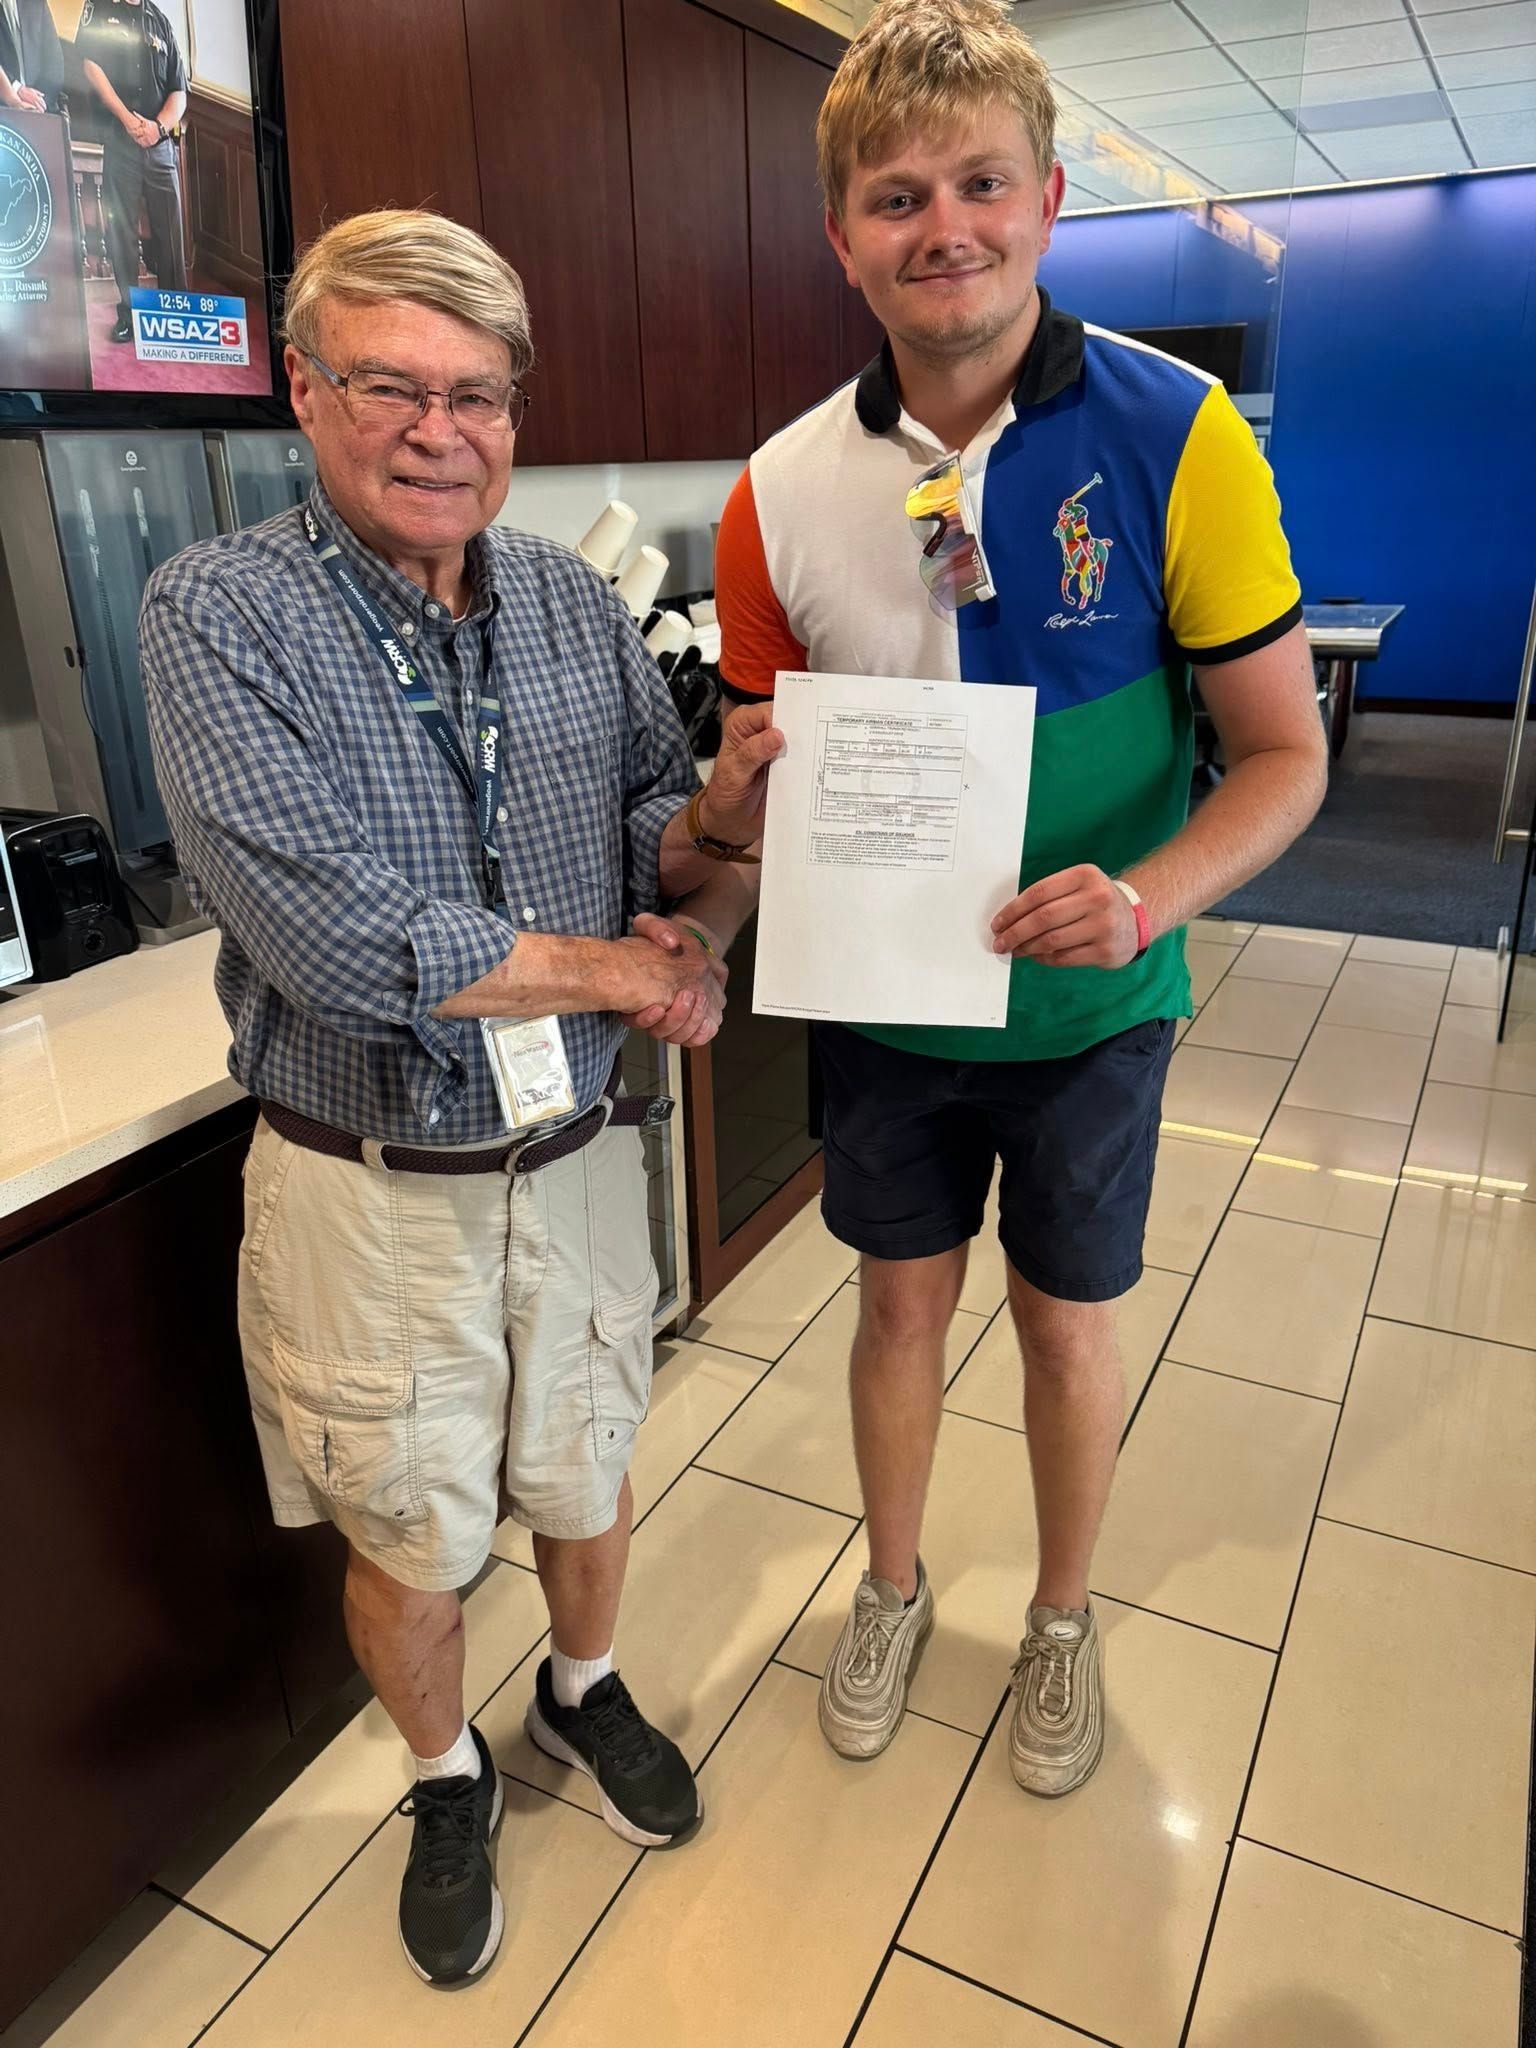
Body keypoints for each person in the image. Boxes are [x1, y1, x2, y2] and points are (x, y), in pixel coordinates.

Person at [141, 208, 769, 1988]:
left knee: (587, 1456)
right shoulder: (219, 613)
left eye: (476, 395)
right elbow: (338, 935)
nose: (438, 432)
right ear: (302, 390)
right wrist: (628, 974)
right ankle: (443, 1773)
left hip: (571, 1148)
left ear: (513, 410)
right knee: (409, 1523)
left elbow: (650, 828)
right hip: (369, 1182)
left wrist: (713, 833)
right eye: (388, 388)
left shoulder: (568, 597)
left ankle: (580, 1687)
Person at [715, 0, 1326, 1797]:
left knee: (1065, 1320)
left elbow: (1284, 755)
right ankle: (892, 1587)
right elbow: (759, 781)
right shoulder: (777, 492)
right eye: (897, 197)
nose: (946, 229)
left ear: (1049, 201)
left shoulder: (1179, 431)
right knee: (896, 1310)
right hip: (888, 1006)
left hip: (1090, 1009)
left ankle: (1061, 1617)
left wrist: (1143, 899)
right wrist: (735, 806)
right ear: (841, 236)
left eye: (981, 184)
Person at [79, 0, 187, 341]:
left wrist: (158, 127)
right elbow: (91, 65)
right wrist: (128, 120)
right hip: (120, 140)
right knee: (121, 233)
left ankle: (175, 314)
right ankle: (129, 314)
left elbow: (179, 91)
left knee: (171, 236)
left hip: (160, 146)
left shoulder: (161, 21)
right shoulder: (99, 9)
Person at [0, 0, 64, 113]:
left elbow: (55, 64)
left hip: (42, 109)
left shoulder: (36, 3)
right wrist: (16, 90)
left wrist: (39, 103)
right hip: (4, 108)